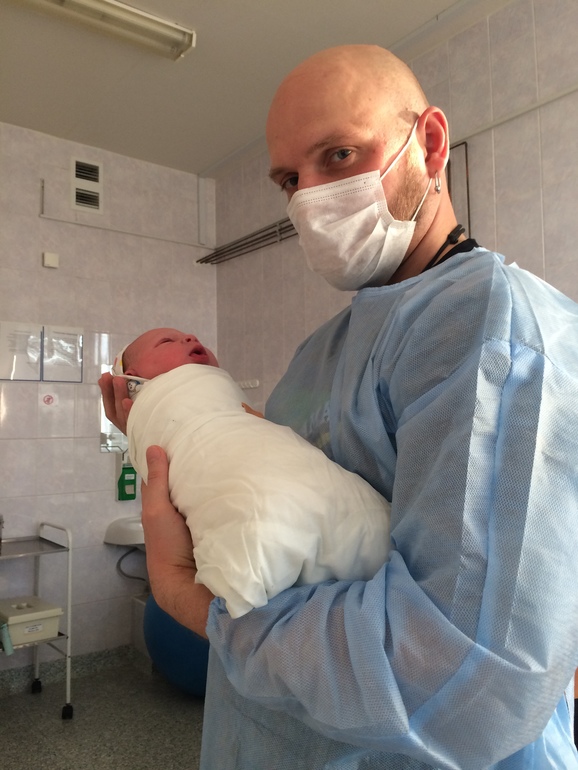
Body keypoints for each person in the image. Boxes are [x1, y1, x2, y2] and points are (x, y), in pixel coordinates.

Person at [100, 45, 578, 770]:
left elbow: (464, 686)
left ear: (431, 145)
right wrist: (163, 428)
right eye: (289, 180)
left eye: (340, 155)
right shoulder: (320, 352)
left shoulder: (495, 334)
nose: (309, 199)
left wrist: (183, 596)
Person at [111, 327, 390, 619]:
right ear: (133, 379)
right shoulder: (312, 354)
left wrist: (170, 574)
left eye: (190, 337)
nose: (191, 339)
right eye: (167, 341)